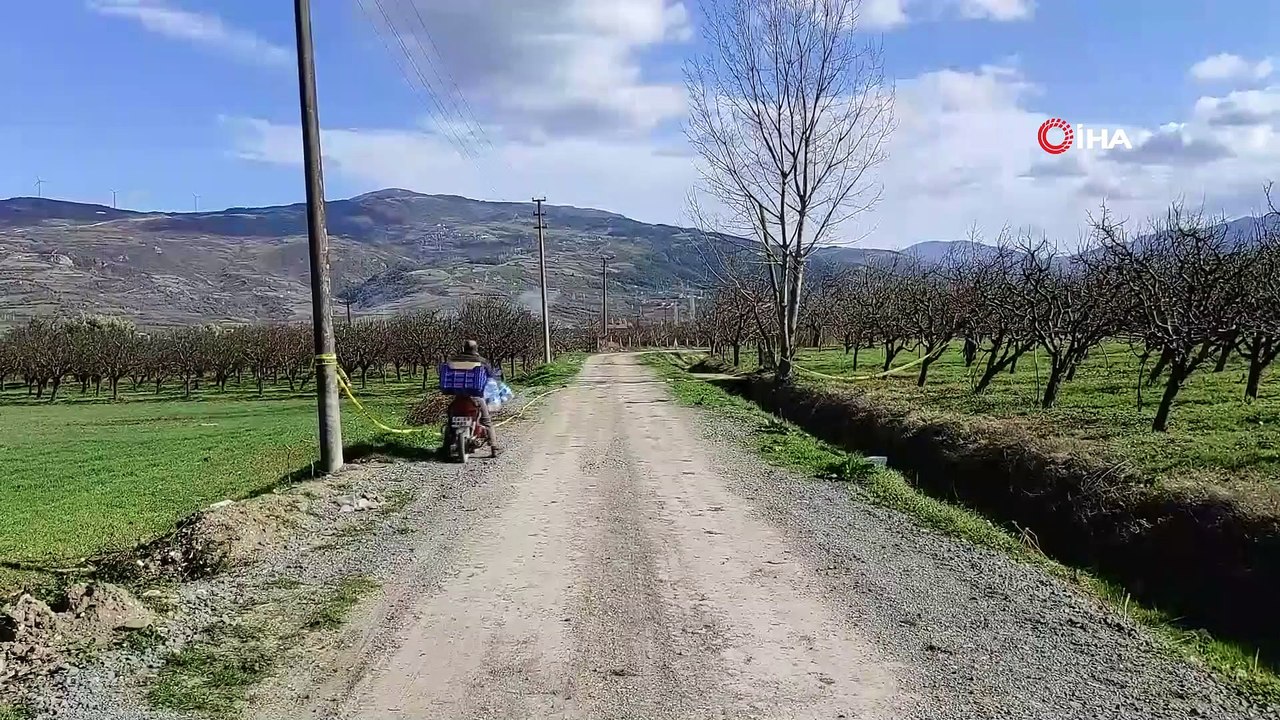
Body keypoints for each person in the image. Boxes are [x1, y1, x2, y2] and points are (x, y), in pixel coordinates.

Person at [446, 339, 502, 456]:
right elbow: (490, 375)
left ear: (464, 348)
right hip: (475, 397)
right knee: (487, 421)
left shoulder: (453, 360)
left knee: (450, 418)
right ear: (476, 349)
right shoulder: (481, 361)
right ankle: (494, 447)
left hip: (458, 396)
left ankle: (447, 444)